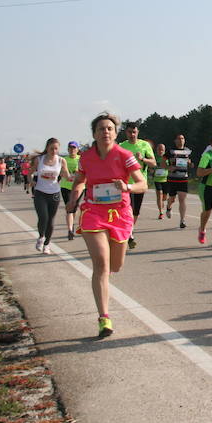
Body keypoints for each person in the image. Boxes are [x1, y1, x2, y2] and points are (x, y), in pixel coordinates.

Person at [66, 113, 146, 338]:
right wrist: (74, 198)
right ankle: (104, 318)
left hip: (120, 215)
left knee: (116, 266)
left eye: (110, 128)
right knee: (101, 264)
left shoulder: (125, 155)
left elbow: (143, 183)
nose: (106, 132)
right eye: (101, 128)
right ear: (94, 133)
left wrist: (127, 187)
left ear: (115, 132)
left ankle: (105, 281)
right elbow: (80, 181)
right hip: (94, 213)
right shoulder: (87, 158)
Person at [29, 138, 71, 254]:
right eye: (51, 148)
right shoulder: (39, 159)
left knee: (51, 220)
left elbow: (66, 174)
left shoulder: (61, 161)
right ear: (47, 148)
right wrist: (31, 181)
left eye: (56, 148)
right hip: (40, 192)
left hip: (54, 193)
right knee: (43, 217)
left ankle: (47, 244)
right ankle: (41, 237)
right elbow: (30, 172)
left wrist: (72, 177)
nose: (54, 150)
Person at [119, 123, 156, 249]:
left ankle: (129, 230)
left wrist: (143, 159)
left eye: (134, 132)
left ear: (138, 132)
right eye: (130, 132)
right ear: (126, 132)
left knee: (135, 211)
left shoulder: (144, 145)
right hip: (125, 184)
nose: (132, 134)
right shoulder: (121, 146)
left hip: (140, 183)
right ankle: (129, 234)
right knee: (127, 209)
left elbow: (153, 163)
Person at [165, 133, 193, 228]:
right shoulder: (170, 151)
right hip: (173, 178)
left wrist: (190, 164)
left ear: (184, 140)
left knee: (182, 199)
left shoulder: (188, 151)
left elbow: (191, 164)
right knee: (172, 199)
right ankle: (168, 207)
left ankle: (182, 220)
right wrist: (169, 167)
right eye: (179, 139)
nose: (181, 140)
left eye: (182, 138)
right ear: (175, 141)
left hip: (183, 178)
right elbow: (162, 164)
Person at [61, 141, 81, 240]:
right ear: (68, 149)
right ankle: (70, 230)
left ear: (77, 149)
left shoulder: (81, 159)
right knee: (69, 208)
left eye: (74, 148)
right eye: (70, 148)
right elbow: (61, 172)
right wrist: (67, 175)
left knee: (74, 209)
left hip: (78, 187)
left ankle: (72, 224)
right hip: (66, 187)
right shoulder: (64, 160)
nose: (72, 150)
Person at [152, 143, 169, 219]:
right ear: (157, 150)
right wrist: (151, 170)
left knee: (164, 197)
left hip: (166, 179)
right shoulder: (154, 157)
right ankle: (161, 212)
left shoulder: (167, 158)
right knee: (159, 194)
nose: (160, 151)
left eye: (162, 149)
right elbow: (150, 166)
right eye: (159, 149)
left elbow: (170, 166)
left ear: (164, 150)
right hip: (157, 179)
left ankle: (162, 202)